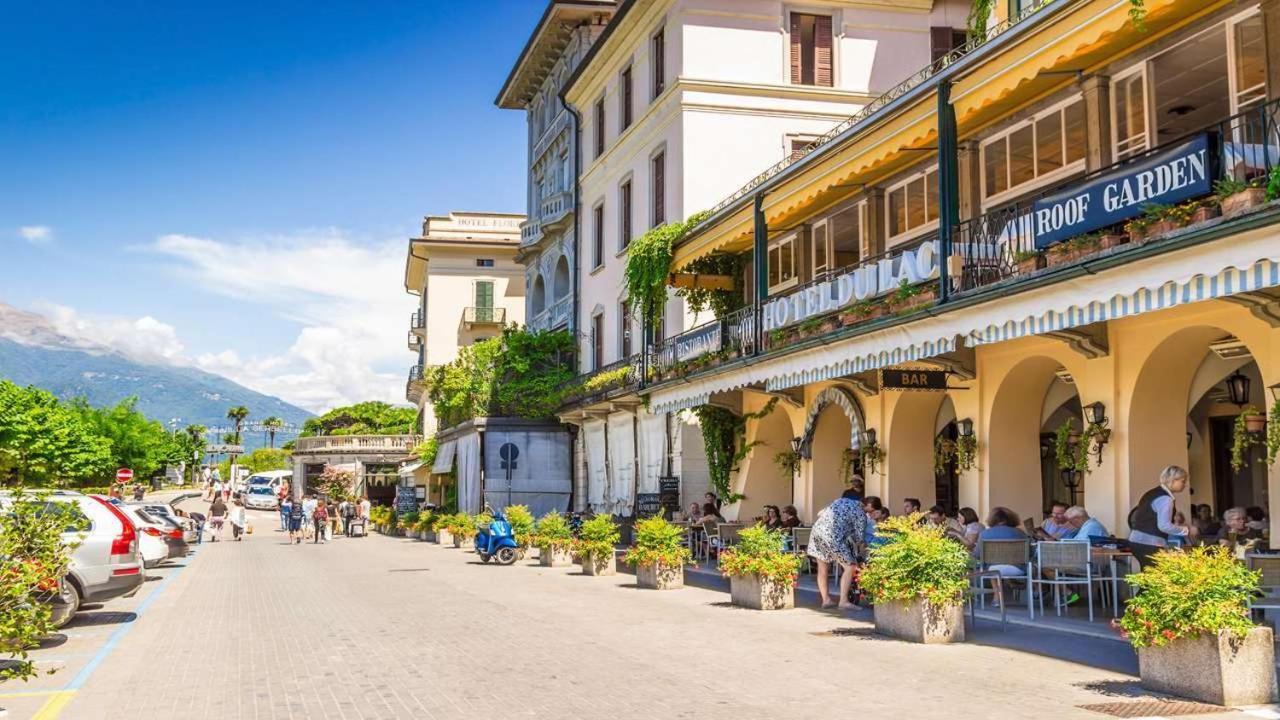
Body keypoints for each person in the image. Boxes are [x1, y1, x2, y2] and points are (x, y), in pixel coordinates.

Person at [807, 486, 868, 609]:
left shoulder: (838, 501)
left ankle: (826, 600)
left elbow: (820, 513)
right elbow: (859, 536)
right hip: (833, 535)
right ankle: (843, 601)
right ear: (864, 504)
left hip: (817, 532)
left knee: (822, 567)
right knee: (850, 566)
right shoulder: (860, 511)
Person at [1127, 465, 1196, 567]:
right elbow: (1164, 526)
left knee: (1149, 575)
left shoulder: (1151, 493)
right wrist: (1187, 530)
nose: (1184, 484)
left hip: (1136, 540)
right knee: (1157, 577)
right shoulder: (1165, 499)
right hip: (1150, 543)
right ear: (1173, 480)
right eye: (1182, 481)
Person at [978, 507, 1027, 577]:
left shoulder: (984, 534)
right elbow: (1029, 552)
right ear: (1012, 519)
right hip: (1017, 569)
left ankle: (996, 588)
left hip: (991, 569)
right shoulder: (1020, 533)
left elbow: (977, 554)